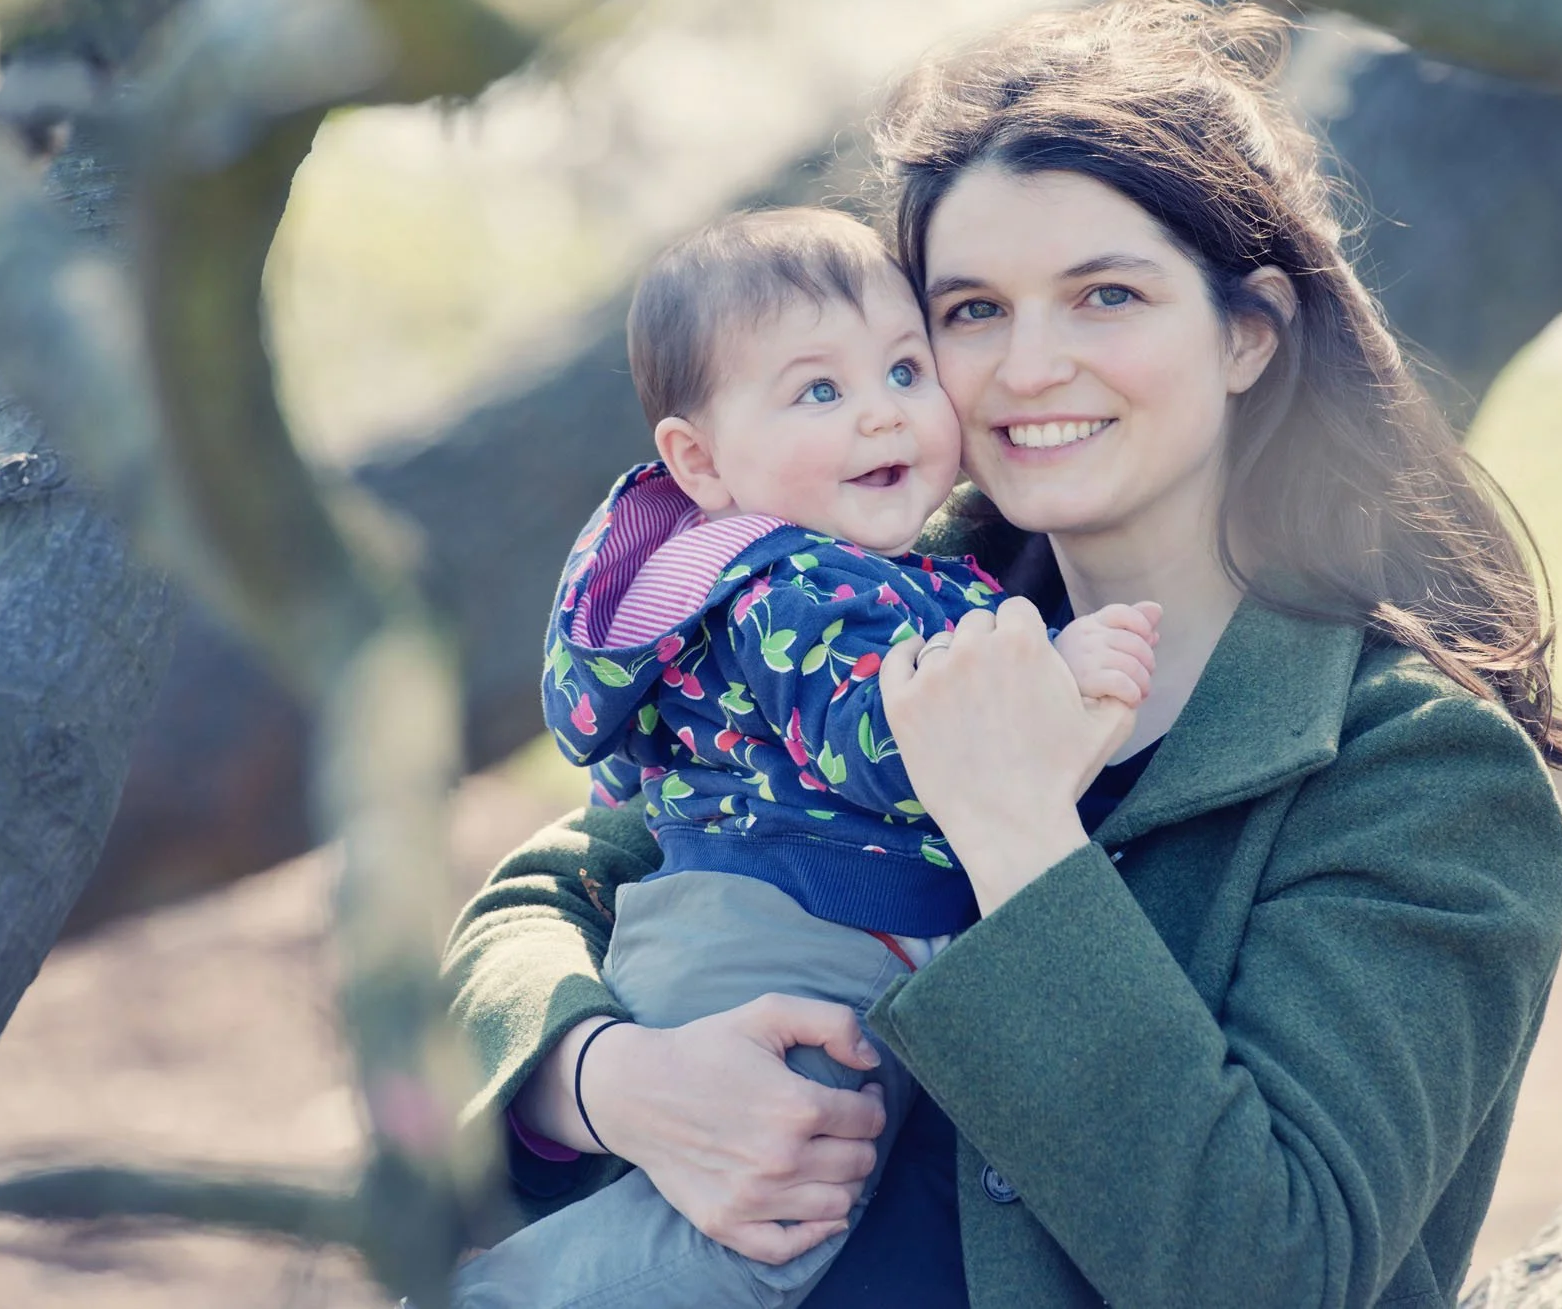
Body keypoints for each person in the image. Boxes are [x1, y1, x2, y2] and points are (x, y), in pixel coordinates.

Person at [445, 0, 1562, 1309]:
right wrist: (609, 1082)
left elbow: (1269, 1269)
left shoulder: (1417, 779)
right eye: (970, 311)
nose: (1026, 365)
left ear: (1247, 331)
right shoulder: (862, 615)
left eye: (1102, 295)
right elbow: (544, 898)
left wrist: (1017, 834)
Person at [452, 207, 1159, 1309]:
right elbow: (890, 741)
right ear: (700, 462)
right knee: (768, 1230)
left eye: (904, 370)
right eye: (819, 392)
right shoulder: (792, 589)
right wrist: (1055, 669)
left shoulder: (888, 572)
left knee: (755, 1211)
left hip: (810, 930)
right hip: (779, 938)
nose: (880, 414)